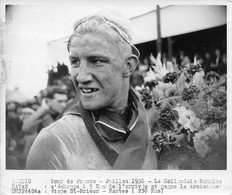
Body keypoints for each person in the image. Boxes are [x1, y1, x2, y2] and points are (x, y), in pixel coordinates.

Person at [26, 10, 157, 170]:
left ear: (128, 66)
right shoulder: (54, 140)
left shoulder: (158, 123)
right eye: (75, 62)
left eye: (96, 61)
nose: (81, 77)